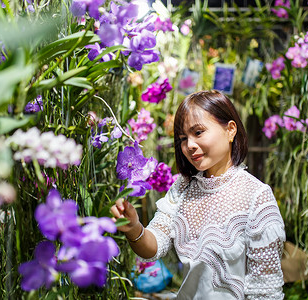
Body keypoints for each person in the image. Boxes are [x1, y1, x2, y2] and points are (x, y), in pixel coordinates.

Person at [111, 90, 285, 299]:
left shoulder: (256, 196)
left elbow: (265, 291)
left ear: (230, 130)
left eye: (198, 132)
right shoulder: (182, 189)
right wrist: (134, 228)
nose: (189, 145)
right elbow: (154, 246)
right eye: (183, 138)